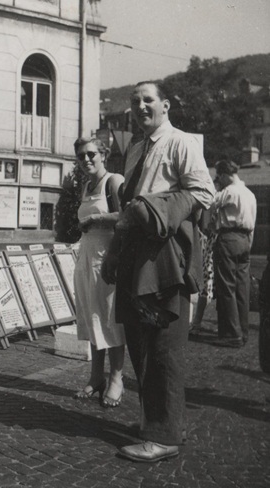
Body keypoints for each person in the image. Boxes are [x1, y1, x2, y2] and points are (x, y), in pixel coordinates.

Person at [101, 81, 216, 462]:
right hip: (136, 254)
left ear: (165, 105)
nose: (140, 106)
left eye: (148, 100)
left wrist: (155, 209)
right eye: (135, 101)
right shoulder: (135, 148)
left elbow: (203, 192)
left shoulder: (181, 142)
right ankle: (158, 422)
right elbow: (128, 209)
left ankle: (164, 436)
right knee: (140, 342)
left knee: (164, 346)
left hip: (165, 257)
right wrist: (114, 252)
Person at [72, 136, 126, 408]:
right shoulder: (85, 186)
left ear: (103, 154)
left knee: (110, 318)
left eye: (91, 154)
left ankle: (117, 378)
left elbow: (127, 217)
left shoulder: (113, 181)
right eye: (81, 156)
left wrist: (96, 218)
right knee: (92, 317)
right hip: (86, 258)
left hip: (108, 258)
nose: (86, 159)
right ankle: (96, 376)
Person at [211, 159, 257, 348]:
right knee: (242, 288)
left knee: (226, 286)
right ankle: (243, 332)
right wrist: (248, 245)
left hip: (228, 238)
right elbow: (252, 224)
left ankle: (231, 334)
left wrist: (215, 187)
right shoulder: (250, 194)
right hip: (245, 240)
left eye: (218, 176)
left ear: (223, 175)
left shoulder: (229, 192)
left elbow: (210, 203)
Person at [189, 202, 218, 334]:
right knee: (208, 284)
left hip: (215, 243)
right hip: (214, 242)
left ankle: (197, 323)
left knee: (209, 284)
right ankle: (197, 322)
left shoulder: (219, 200)